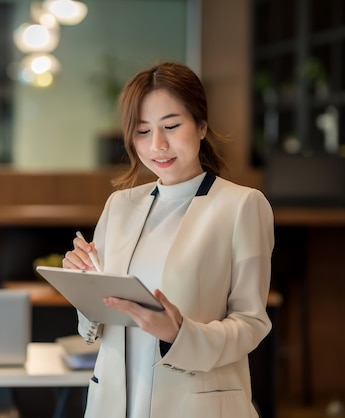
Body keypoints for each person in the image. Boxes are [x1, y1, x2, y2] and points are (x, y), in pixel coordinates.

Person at [62, 62, 274, 418]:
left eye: (172, 126)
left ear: (201, 125)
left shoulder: (241, 205)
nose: (158, 145)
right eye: (143, 131)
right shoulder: (120, 206)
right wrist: (84, 287)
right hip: (114, 404)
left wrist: (178, 334)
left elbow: (251, 323)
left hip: (195, 403)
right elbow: (95, 327)